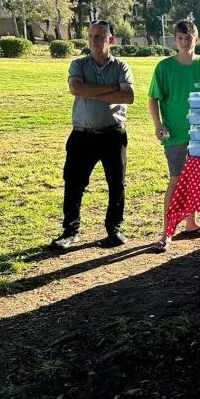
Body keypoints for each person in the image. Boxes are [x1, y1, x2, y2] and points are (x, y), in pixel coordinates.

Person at [50, 20, 134, 249]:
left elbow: (127, 97)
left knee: (116, 183)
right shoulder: (78, 64)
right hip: (82, 135)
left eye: (99, 36)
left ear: (111, 40)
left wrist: (92, 92)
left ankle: (113, 230)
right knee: (74, 183)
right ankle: (70, 231)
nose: (94, 40)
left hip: (113, 135)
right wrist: (111, 91)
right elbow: (76, 89)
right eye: (91, 36)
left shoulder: (121, 67)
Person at [148, 19, 200, 253]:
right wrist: (158, 125)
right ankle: (166, 232)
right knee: (177, 179)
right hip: (176, 134)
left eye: (188, 38)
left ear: (196, 39)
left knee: (196, 179)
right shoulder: (164, 67)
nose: (184, 42)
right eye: (180, 38)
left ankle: (191, 223)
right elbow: (153, 99)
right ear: (174, 40)